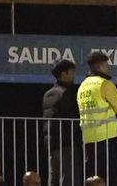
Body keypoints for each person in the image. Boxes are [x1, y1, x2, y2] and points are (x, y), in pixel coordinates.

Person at [76, 51, 117, 183]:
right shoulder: (104, 84)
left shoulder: (82, 86)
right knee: (111, 176)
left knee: (93, 178)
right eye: (105, 65)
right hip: (107, 137)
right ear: (99, 67)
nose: (107, 68)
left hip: (88, 138)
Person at [41, 58, 80, 186]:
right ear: (64, 74)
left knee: (54, 176)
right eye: (72, 72)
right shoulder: (67, 93)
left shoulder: (48, 94)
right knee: (69, 177)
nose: (74, 75)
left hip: (52, 143)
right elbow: (73, 118)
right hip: (67, 141)